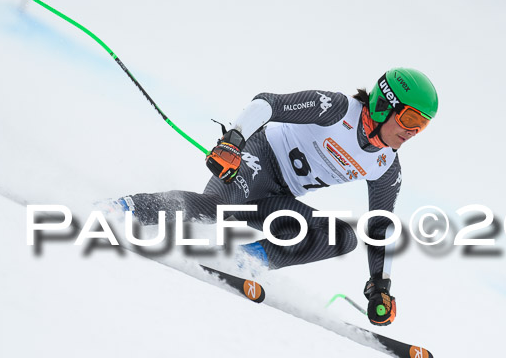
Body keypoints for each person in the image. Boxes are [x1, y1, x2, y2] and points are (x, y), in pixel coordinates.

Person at [118, 67, 438, 326]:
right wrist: (234, 140)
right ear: (384, 104)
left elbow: (380, 227)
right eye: (410, 119)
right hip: (257, 161)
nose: (412, 132)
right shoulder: (337, 109)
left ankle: (243, 261)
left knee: (343, 236)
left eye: (421, 126)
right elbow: (267, 103)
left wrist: (380, 285)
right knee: (214, 208)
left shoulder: (385, 167)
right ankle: (125, 210)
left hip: (274, 198)